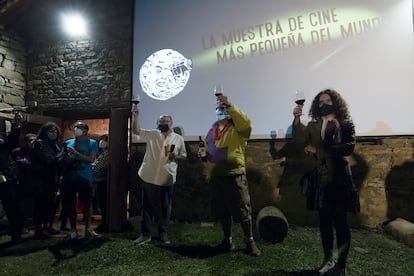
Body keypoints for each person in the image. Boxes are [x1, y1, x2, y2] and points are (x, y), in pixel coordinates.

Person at [292, 89, 359, 276]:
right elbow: (299, 138)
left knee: (341, 224)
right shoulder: (313, 125)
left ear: (336, 102)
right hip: (319, 179)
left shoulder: (345, 123)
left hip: (338, 179)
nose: (324, 104)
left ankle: (341, 266)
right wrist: (297, 120)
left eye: (328, 100)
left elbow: (348, 147)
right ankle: (328, 261)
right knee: (324, 223)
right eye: (320, 102)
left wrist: (317, 151)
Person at [200, 94, 261, 256]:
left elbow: (247, 123)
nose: (220, 111)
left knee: (242, 208)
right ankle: (227, 240)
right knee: (223, 210)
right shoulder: (211, 130)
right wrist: (204, 154)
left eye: (222, 108)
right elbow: (207, 148)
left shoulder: (238, 128)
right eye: (218, 109)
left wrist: (230, 105)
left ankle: (250, 241)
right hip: (217, 175)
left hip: (234, 174)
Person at [131, 104, 187, 245]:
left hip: (166, 178)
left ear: (171, 123)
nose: (163, 124)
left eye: (166, 121)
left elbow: (184, 156)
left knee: (164, 207)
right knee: (147, 207)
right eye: (160, 122)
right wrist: (135, 116)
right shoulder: (152, 134)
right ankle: (145, 234)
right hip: (149, 176)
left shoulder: (178, 139)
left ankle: (163, 234)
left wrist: (175, 156)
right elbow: (136, 130)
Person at [61, 121, 100, 240]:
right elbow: (63, 160)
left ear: (85, 130)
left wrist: (76, 154)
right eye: (75, 126)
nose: (76, 128)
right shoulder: (68, 142)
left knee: (87, 203)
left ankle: (88, 228)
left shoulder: (92, 143)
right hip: (69, 177)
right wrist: (66, 155)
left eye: (80, 127)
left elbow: (91, 159)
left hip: (84, 176)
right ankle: (73, 229)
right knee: (70, 203)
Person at [31, 122, 64, 238]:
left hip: (51, 179)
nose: (53, 133)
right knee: (40, 204)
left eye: (55, 131)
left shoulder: (54, 145)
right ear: (44, 132)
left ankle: (47, 226)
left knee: (49, 204)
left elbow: (58, 162)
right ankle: (38, 229)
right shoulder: (39, 144)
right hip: (41, 179)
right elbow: (48, 160)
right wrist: (62, 155)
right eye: (50, 131)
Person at [0, 113, 25, 244]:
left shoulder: (3, 144)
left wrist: (16, 123)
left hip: (7, 178)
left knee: (12, 207)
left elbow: (13, 137)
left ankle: (16, 233)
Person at [93, 134, 109, 233]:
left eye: (105, 140)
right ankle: (103, 223)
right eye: (102, 139)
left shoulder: (107, 154)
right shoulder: (103, 153)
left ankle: (104, 224)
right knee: (101, 204)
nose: (102, 142)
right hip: (100, 180)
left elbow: (96, 167)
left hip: (103, 181)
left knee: (103, 204)